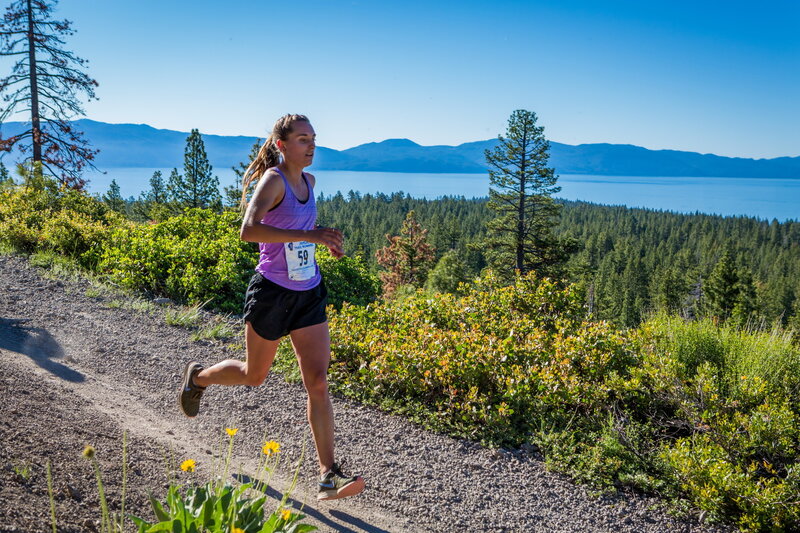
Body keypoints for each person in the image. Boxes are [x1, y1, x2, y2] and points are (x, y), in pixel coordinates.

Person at [178, 114, 365, 501]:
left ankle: (328, 474)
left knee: (317, 380)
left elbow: (298, 234)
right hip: (272, 292)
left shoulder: (309, 182)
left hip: (308, 290)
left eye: (313, 138)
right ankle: (199, 378)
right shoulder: (274, 180)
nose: (311, 145)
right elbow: (249, 229)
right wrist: (307, 234)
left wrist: (320, 241)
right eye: (302, 139)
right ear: (282, 145)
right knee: (254, 375)